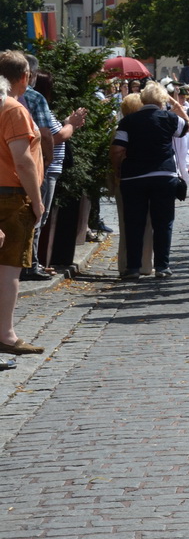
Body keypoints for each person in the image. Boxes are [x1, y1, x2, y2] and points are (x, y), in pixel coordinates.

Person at [112, 82, 189, 280]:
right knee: (163, 222)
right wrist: (176, 105)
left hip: (134, 176)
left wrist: (118, 168)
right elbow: (188, 126)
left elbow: (118, 149)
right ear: (162, 100)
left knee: (134, 222)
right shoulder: (170, 118)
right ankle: (162, 266)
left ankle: (133, 267)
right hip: (164, 175)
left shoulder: (128, 121)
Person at [21, 58, 86, 278]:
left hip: (36, 165)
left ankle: (31, 262)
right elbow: (50, 135)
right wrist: (71, 126)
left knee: (33, 215)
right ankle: (29, 265)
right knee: (38, 214)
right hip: (41, 167)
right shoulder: (33, 97)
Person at [0, 52, 45, 359]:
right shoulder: (12, 109)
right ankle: (6, 334)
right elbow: (23, 160)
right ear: (24, 76)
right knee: (9, 269)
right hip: (11, 196)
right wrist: (38, 202)